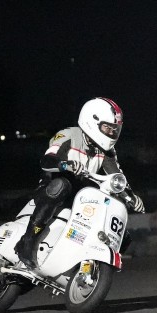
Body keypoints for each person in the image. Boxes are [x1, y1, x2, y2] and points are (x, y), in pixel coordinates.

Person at [15, 97, 145, 268]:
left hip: (80, 197)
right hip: (50, 190)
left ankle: (87, 261)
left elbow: (116, 176)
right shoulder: (68, 135)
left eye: (115, 130)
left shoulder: (107, 151)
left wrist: (131, 197)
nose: (112, 134)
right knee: (62, 185)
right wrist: (65, 164)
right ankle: (27, 240)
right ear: (91, 120)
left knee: (121, 229)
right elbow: (47, 160)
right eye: (107, 128)